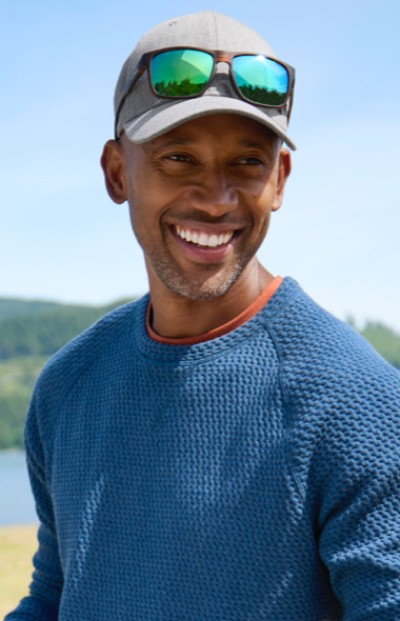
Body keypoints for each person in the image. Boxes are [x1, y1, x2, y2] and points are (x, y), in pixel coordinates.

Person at [6, 10, 400, 621]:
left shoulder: (357, 403)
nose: (216, 200)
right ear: (117, 172)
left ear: (280, 180)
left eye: (246, 162)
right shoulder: (66, 387)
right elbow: (56, 598)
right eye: (178, 158)